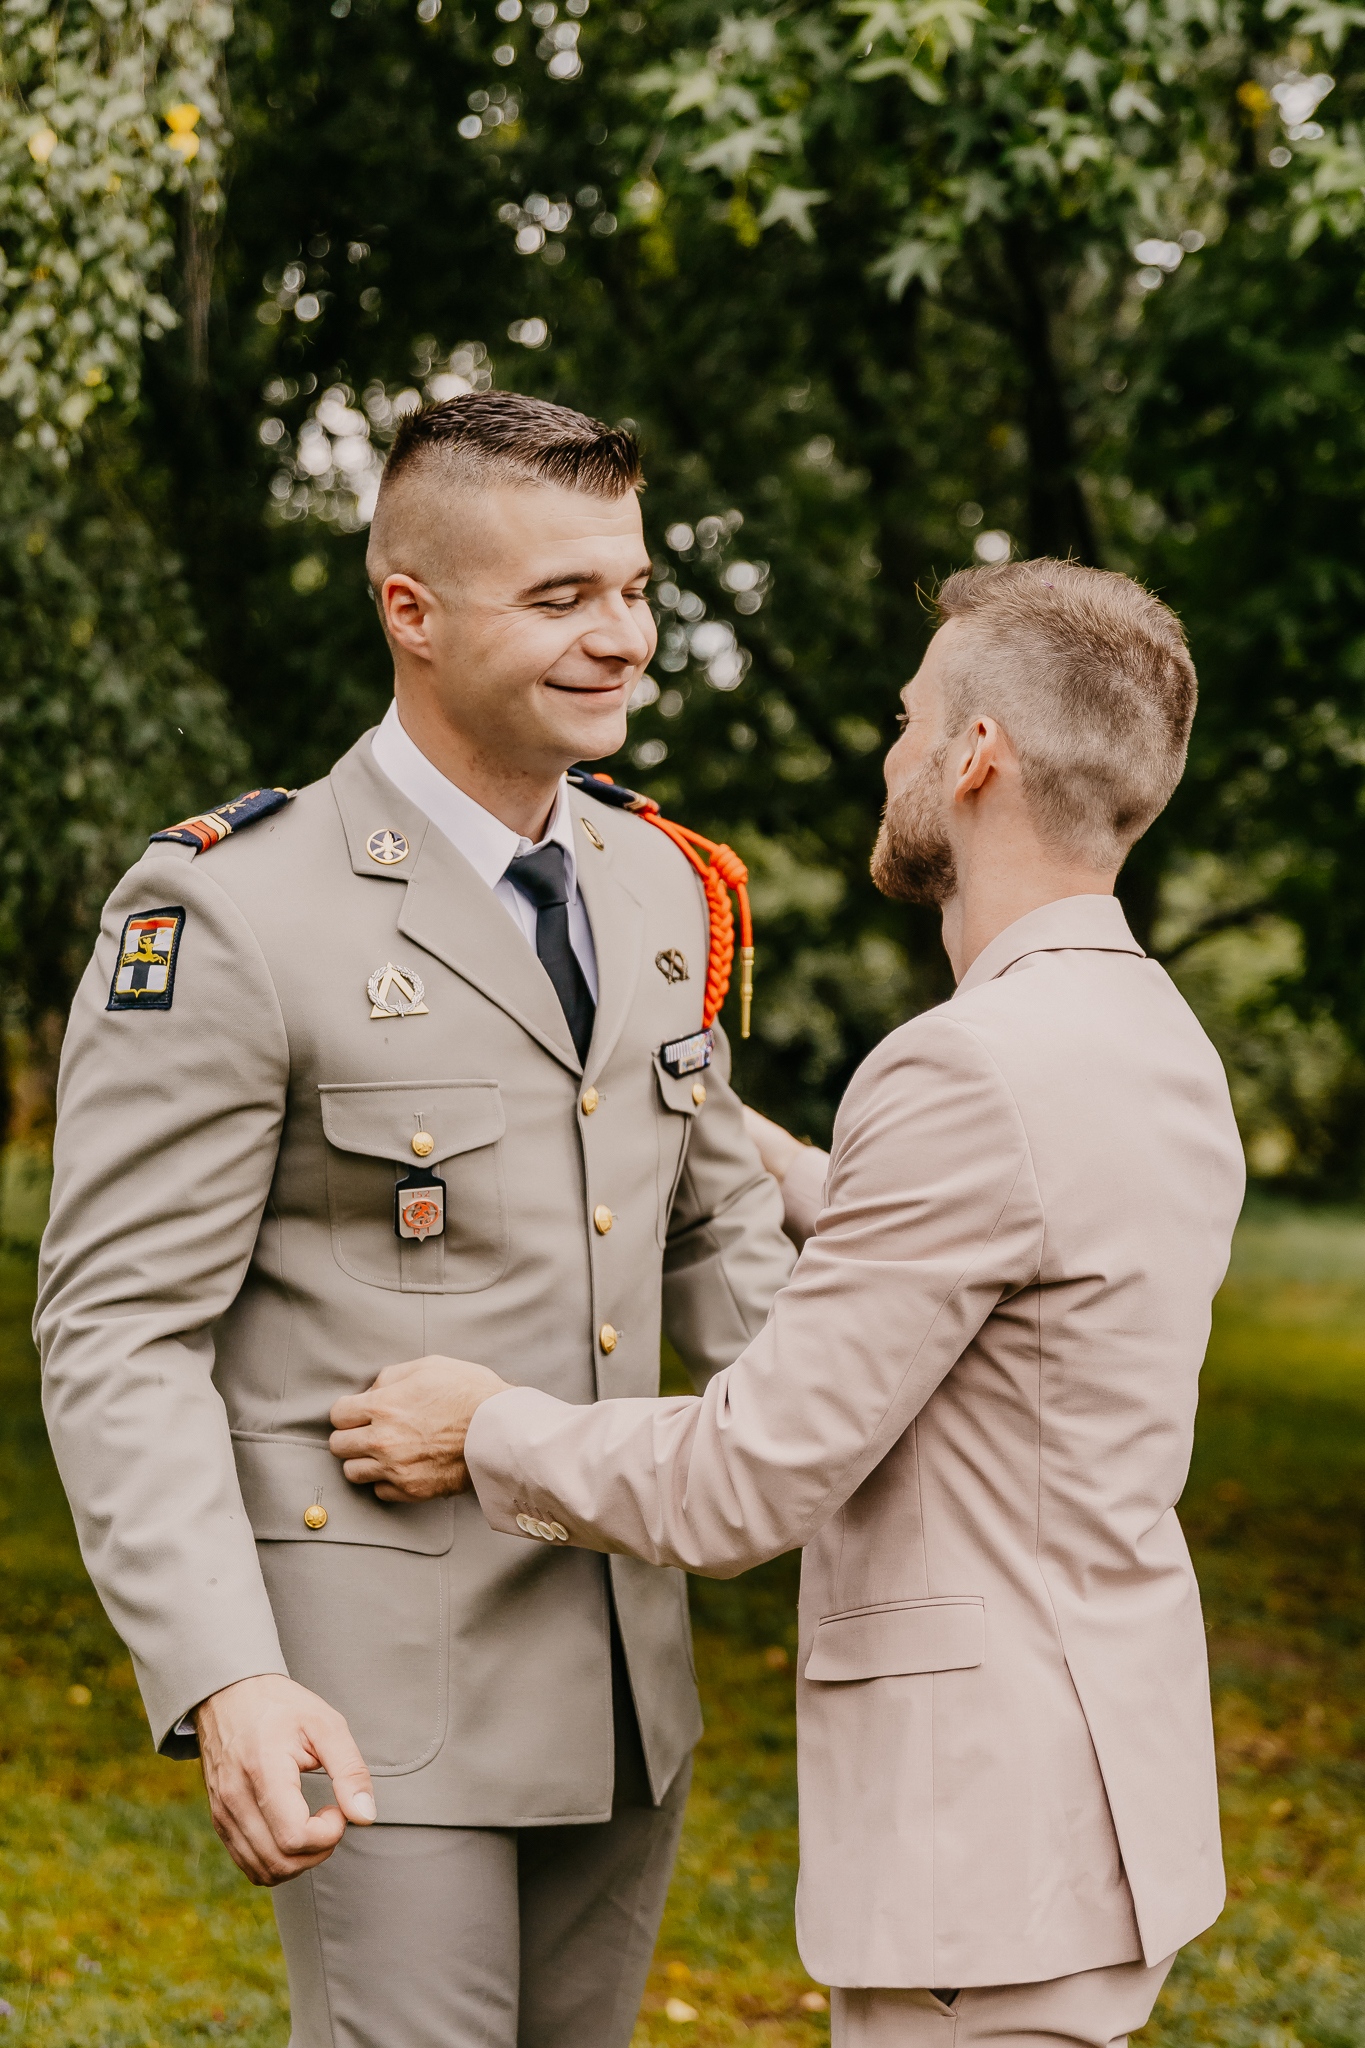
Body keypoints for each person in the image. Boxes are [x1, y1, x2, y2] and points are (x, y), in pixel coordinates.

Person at [334, 558, 1247, 2048]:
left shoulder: (961, 1070)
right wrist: (730, 1133)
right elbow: (996, 1246)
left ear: (974, 756)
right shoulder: (1142, 1031)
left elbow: (745, 1479)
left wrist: (484, 1427)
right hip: (1091, 1802)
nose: (893, 754)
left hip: (986, 1850)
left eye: (908, 721)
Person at [35, 391, 796, 2048]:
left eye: (634, 588)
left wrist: (838, 1446)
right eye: (561, 597)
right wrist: (228, 1673)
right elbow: (119, 1331)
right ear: (411, 609)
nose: (622, 638)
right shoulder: (234, 908)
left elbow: (709, 1225)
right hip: (371, 1687)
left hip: (623, 1675)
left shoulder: (657, 883)